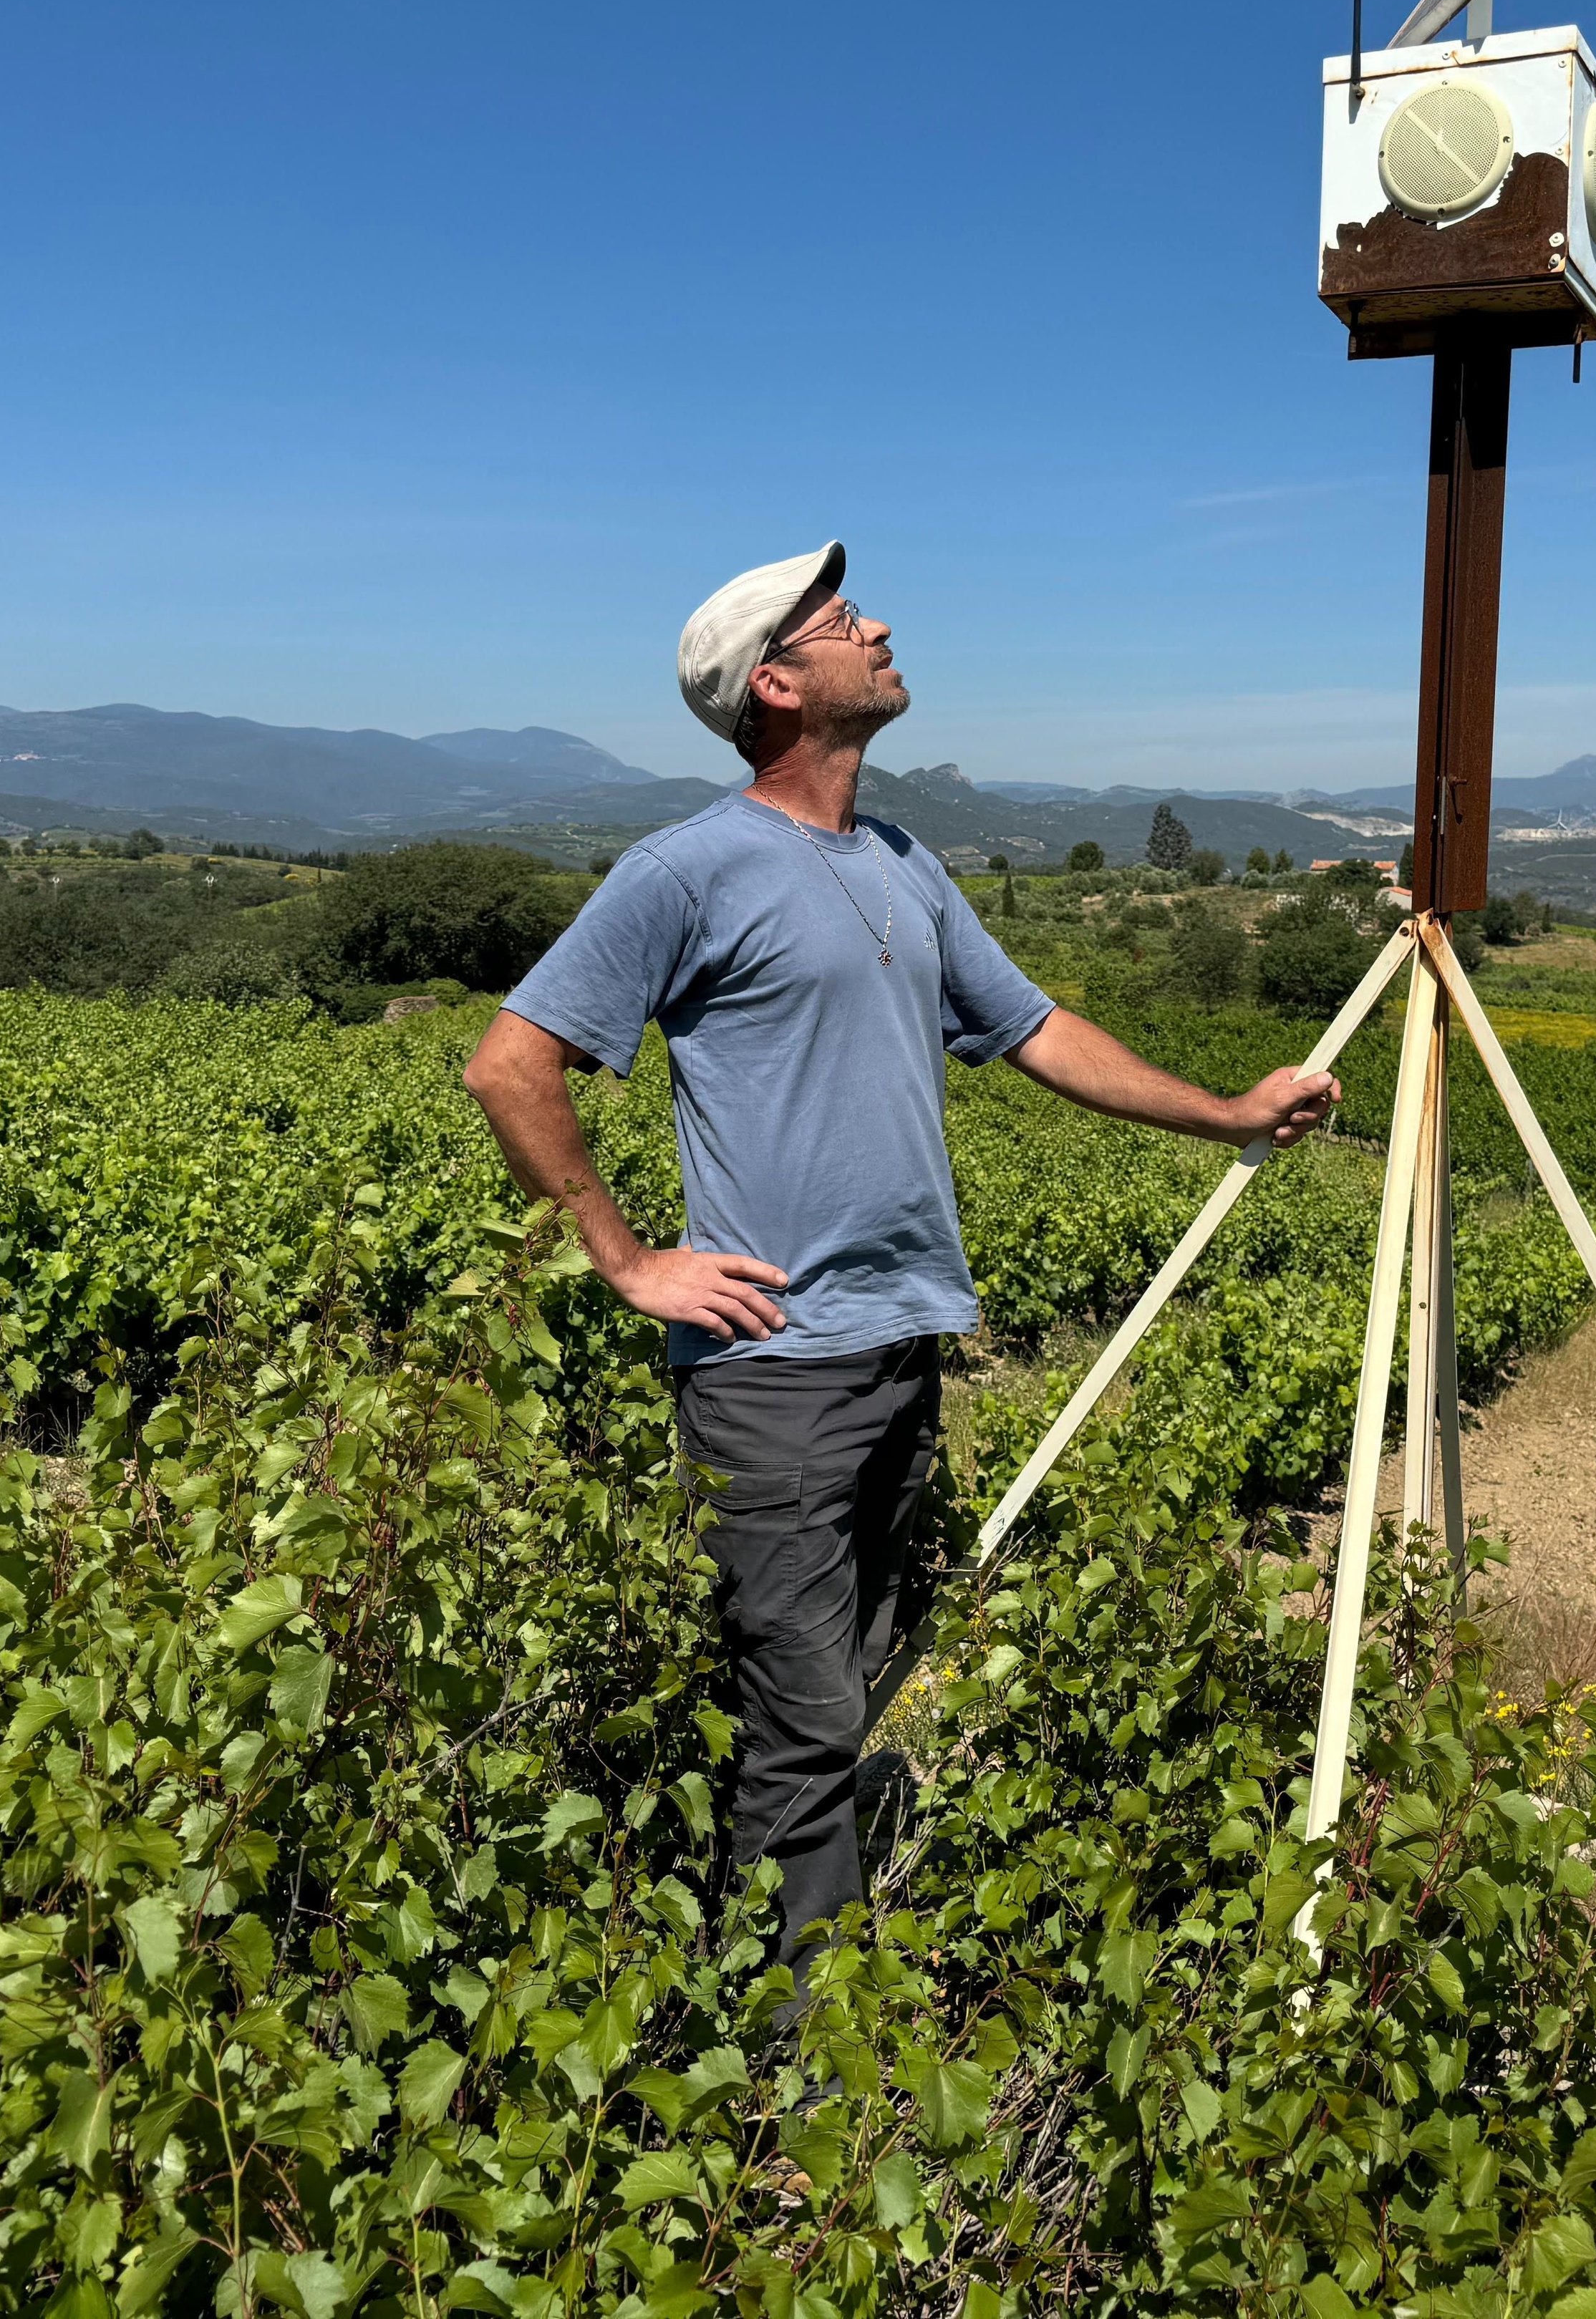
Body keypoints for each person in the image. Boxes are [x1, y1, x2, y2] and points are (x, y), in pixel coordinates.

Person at [463, 542, 1340, 1988]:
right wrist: (626, 1262)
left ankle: (789, 1991)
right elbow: (512, 1066)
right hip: (772, 1373)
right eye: (839, 618)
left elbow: (1041, 1031)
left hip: (897, 1348)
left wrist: (1225, 1110)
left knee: (847, 1687)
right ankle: (794, 2086)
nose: (877, 625)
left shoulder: (905, 864)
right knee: (800, 1722)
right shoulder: (686, 869)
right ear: (776, 682)